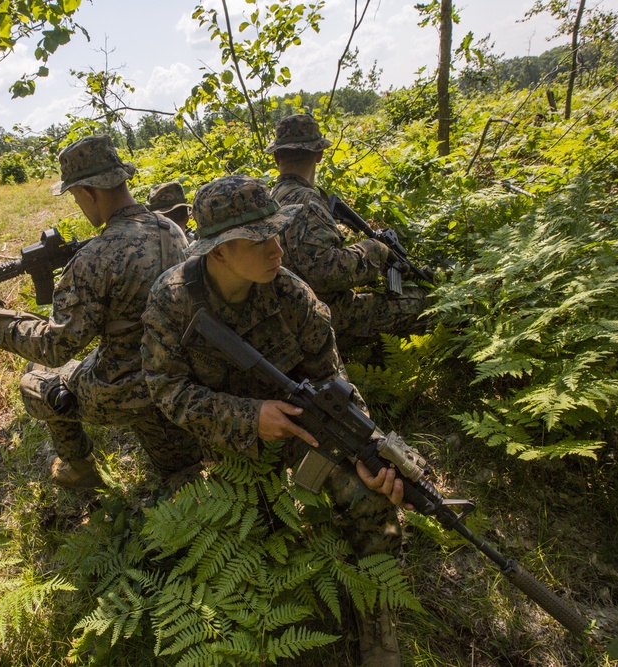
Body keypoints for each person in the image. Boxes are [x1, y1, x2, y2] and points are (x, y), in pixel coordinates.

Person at [141, 174, 406, 666]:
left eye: (277, 233)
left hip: (299, 432)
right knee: (231, 543)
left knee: (372, 497)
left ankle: (376, 613)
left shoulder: (293, 295)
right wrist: (247, 417)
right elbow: (164, 388)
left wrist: (364, 448)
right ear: (216, 252)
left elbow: (335, 381)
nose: (276, 248)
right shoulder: (173, 300)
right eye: (259, 239)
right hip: (220, 441)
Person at [0, 135, 202, 490]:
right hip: (179, 375)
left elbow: (55, 347)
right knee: (178, 471)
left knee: (36, 380)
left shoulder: (94, 259)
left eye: (75, 196)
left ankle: (79, 470)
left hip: (129, 390)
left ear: (87, 192)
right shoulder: (171, 228)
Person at [266, 113, 428, 349]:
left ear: (277, 157)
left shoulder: (271, 198)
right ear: (320, 155)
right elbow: (324, 272)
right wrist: (373, 251)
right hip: (322, 316)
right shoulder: (307, 202)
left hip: (287, 313)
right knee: (423, 302)